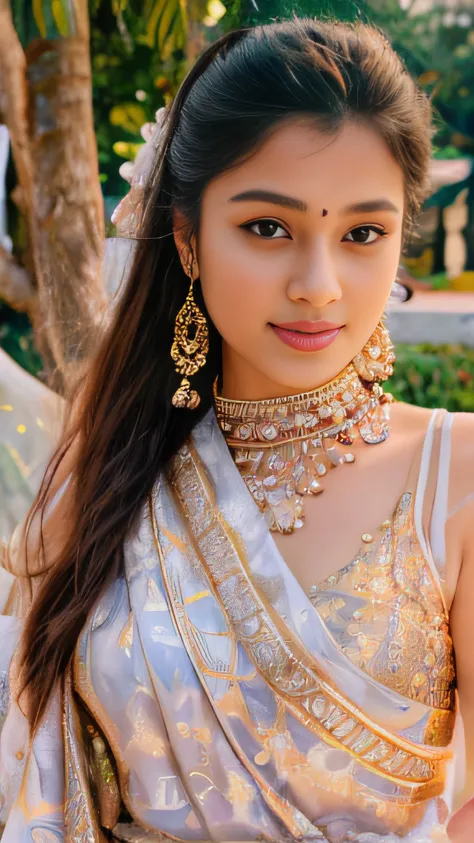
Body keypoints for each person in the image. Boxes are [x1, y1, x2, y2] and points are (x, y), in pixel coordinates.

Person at [0, 17, 473, 843]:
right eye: (268, 228)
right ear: (187, 238)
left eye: (363, 233)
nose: (319, 285)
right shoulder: (108, 467)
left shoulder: (456, 474)